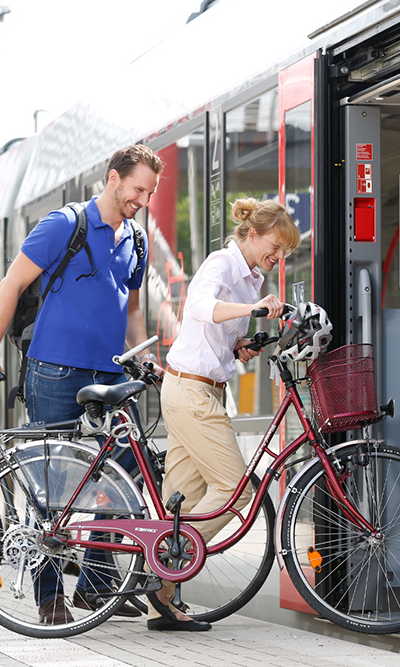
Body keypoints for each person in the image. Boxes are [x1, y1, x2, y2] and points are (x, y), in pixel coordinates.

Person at [0, 144, 165, 624]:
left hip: (113, 376)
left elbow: (133, 307)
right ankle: (50, 596)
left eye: (150, 192)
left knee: (127, 475)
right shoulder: (66, 224)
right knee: (48, 488)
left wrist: (141, 357)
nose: (142, 199)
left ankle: (97, 582)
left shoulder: (137, 241)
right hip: (55, 371)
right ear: (113, 178)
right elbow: (11, 286)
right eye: (137, 189)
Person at [148, 197, 301, 632]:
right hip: (192, 394)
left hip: (196, 390)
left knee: (180, 503)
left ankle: (159, 599)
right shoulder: (221, 263)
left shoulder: (250, 279)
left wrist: (240, 346)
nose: (279, 256)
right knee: (236, 491)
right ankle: (167, 558)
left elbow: (213, 336)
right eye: (275, 246)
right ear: (252, 234)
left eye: (284, 251)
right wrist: (250, 310)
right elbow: (197, 308)